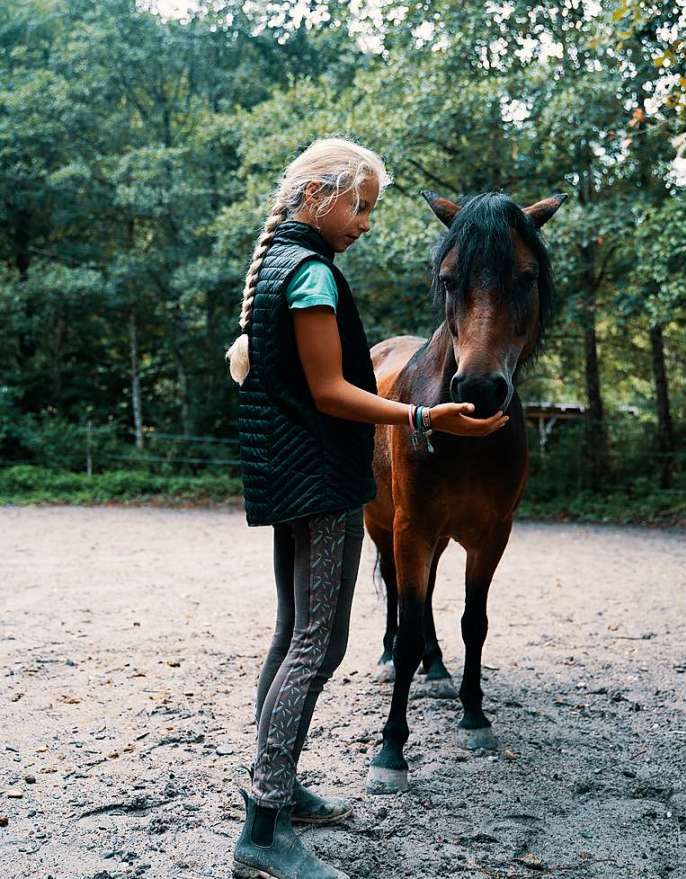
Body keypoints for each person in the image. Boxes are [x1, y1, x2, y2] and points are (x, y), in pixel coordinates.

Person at [226, 136, 509, 879]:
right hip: (319, 478)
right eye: (361, 205)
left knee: (292, 634)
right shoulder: (312, 275)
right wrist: (424, 418)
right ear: (321, 194)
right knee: (318, 644)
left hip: (283, 474)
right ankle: (262, 829)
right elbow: (329, 392)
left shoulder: (277, 265)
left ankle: (273, 788)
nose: (366, 222)